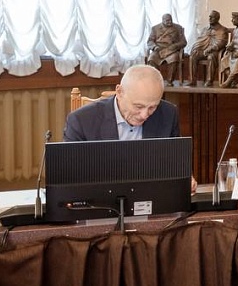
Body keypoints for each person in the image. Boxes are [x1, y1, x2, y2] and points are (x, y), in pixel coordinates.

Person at [64, 65, 194, 192]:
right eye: (138, 106)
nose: (144, 115)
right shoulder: (81, 121)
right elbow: (71, 174)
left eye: (152, 107)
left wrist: (185, 179)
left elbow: (176, 161)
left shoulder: (168, 114)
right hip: (101, 198)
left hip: (151, 196)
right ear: (119, 92)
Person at [186, 10, 229, 86]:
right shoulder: (205, 29)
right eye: (209, 17)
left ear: (217, 18)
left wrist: (211, 48)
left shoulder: (223, 30)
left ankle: (209, 80)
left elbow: (222, 43)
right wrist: (196, 47)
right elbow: (200, 40)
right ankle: (192, 80)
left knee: (211, 57)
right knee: (193, 55)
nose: (210, 19)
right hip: (203, 50)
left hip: (215, 51)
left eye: (212, 17)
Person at [145, 14, 187, 85]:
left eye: (171, 20)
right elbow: (150, 41)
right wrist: (154, 47)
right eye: (167, 20)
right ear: (163, 20)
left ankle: (170, 81)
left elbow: (183, 42)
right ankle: (157, 80)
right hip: (158, 50)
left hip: (171, 50)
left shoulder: (178, 28)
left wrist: (175, 46)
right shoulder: (155, 28)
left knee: (174, 58)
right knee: (151, 59)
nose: (170, 22)